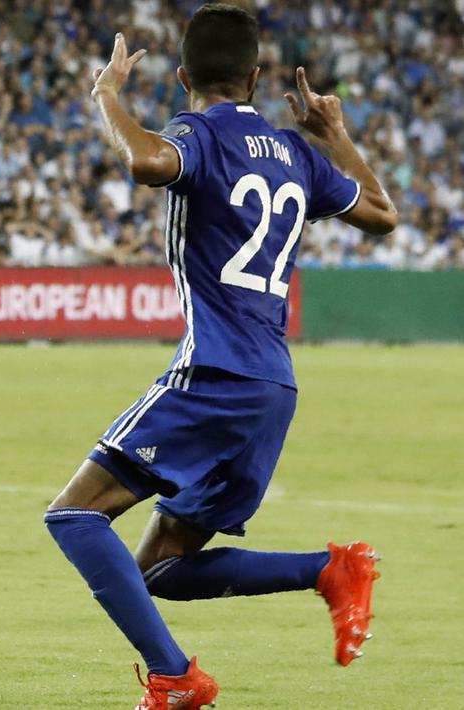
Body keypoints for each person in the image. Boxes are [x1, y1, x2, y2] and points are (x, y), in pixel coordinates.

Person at [41, 6, 398, 710]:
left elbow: (146, 162)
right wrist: (336, 135)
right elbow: (382, 215)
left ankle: (175, 677)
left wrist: (105, 95)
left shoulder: (196, 132)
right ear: (256, 77)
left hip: (213, 374)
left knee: (74, 517)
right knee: (160, 570)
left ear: (180, 78)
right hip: (271, 388)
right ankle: (330, 570)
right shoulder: (295, 154)